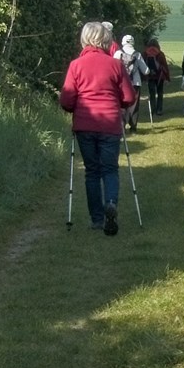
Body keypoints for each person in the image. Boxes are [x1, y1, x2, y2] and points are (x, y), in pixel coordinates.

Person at [58, 19, 137, 235]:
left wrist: (75, 106)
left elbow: (66, 100)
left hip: (85, 124)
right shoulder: (115, 65)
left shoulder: (76, 65)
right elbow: (129, 97)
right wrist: (116, 101)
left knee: (92, 171)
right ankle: (110, 202)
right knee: (110, 169)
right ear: (106, 40)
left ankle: (97, 219)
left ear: (84, 39)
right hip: (110, 123)